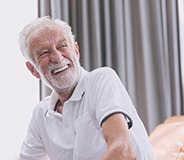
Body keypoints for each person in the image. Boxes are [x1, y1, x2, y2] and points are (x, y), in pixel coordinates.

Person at [18, 16, 153, 160]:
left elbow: (122, 150)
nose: (57, 58)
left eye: (62, 46)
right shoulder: (41, 114)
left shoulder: (101, 79)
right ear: (33, 70)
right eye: (44, 53)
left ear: (76, 50)